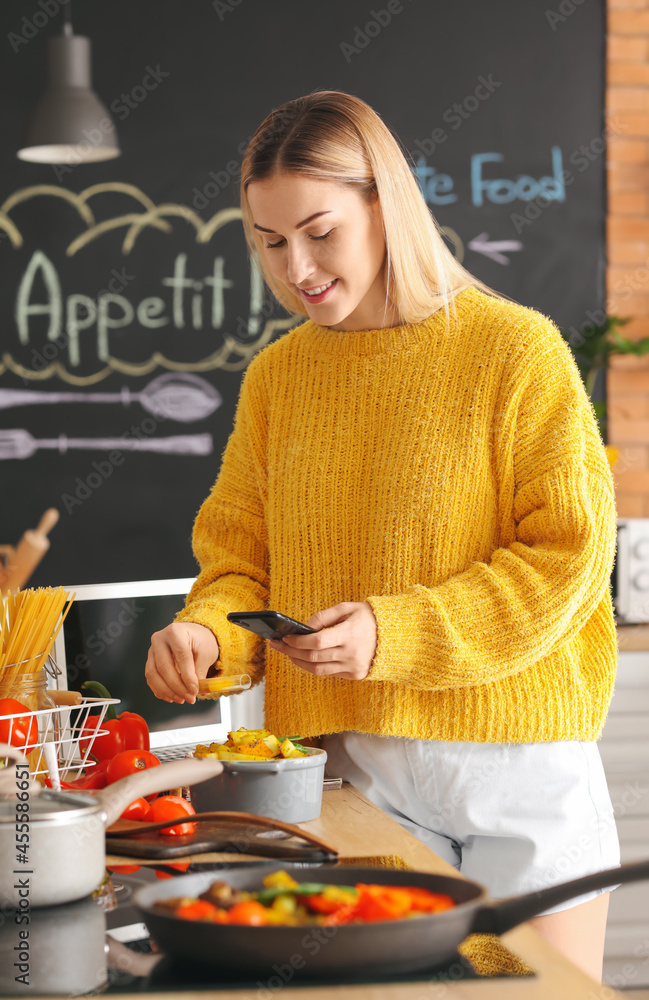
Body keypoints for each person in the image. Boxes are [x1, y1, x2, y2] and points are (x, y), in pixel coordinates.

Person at [145, 90, 620, 981]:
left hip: (519, 775)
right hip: (356, 777)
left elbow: (566, 559)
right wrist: (210, 630)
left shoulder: (514, 350)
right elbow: (238, 555)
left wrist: (388, 630)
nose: (297, 267)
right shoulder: (277, 378)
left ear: (383, 203)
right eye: (269, 241)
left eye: (319, 231)